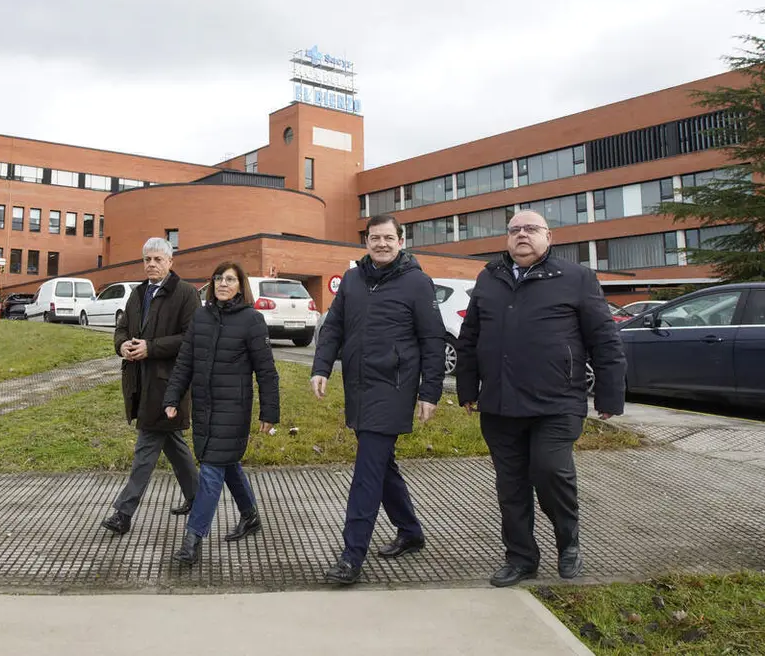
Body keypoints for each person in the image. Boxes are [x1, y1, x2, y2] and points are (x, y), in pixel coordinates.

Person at [455, 210, 626, 587]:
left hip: (557, 401)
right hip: (500, 403)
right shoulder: (489, 277)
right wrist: (468, 388)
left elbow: (604, 339)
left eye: (531, 229)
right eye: (514, 230)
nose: (521, 235)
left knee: (550, 471)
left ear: (549, 236)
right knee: (511, 485)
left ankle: (569, 541)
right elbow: (469, 339)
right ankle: (521, 558)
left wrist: (610, 393)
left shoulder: (576, 278)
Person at [311, 214, 446, 585]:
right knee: (382, 465)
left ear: (401, 241)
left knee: (367, 472)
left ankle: (351, 556)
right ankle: (410, 530)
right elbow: (334, 325)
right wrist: (321, 367)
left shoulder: (417, 283)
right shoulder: (354, 279)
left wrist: (429, 392)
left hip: (395, 387)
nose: (382, 244)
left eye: (389, 238)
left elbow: (433, 341)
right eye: (375, 238)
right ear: (366, 242)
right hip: (358, 386)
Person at [162, 260, 279, 565]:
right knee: (227, 463)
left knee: (212, 468)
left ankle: (192, 539)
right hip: (204, 406)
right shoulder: (201, 317)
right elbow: (185, 362)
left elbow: (266, 371)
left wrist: (270, 411)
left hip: (234, 409)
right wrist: (172, 396)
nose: (223, 284)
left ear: (241, 285)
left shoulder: (252, 320)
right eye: (218, 279)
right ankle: (250, 516)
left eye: (230, 279)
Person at [100, 238, 201, 535]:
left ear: (170, 262)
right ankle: (198, 497)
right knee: (173, 444)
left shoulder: (185, 294)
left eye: (158, 259)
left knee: (146, 449)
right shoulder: (138, 293)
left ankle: (123, 512)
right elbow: (122, 328)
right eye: (147, 259)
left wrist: (151, 348)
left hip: (168, 386)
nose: (151, 264)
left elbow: (191, 338)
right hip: (140, 383)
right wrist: (124, 347)